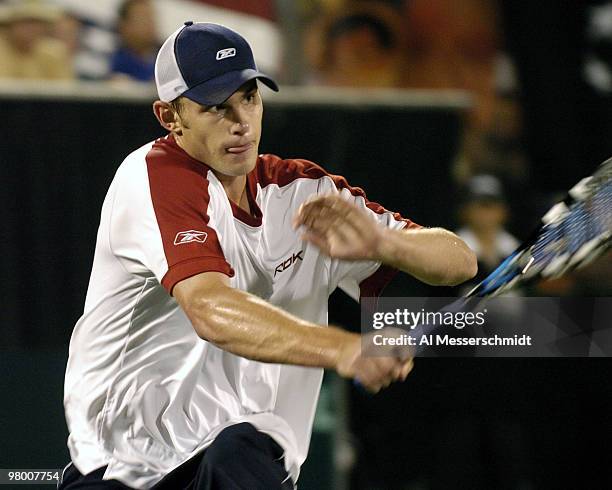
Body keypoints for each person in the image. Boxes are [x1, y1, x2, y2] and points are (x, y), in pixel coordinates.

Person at [60, 22, 477, 489]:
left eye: (249, 98)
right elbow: (210, 309)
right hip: (126, 467)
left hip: (237, 460)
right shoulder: (153, 178)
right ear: (169, 116)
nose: (241, 122)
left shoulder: (303, 190)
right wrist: (345, 349)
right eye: (216, 107)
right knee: (238, 446)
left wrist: (386, 244)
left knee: (242, 445)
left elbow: (459, 262)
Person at [0, 1, 74, 79]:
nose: (31, 29)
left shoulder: (54, 53)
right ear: (10, 25)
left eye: (37, 23)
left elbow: (65, 87)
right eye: (26, 22)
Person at [109, 0, 159, 83]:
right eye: (141, 19)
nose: (149, 24)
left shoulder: (167, 59)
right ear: (123, 26)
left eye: (150, 18)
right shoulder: (116, 63)